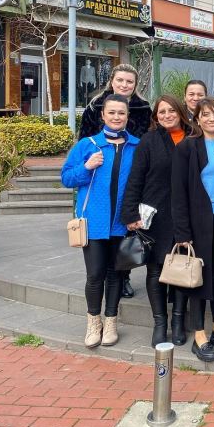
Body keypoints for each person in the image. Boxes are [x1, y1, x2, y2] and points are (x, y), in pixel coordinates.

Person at [61, 94, 140, 349]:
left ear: (128, 117)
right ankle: (94, 323)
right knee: (95, 275)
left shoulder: (137, 147)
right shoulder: (88, 145)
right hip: (94, 223)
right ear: (103, 115)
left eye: (122, 113)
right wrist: (86, 167)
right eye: (112, 113)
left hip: (122, 223)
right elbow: (66, 178)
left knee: (115, 275)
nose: (117, 117)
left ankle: (111, 321)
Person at [171, 98, 214, 363]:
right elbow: (178, 192)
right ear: (197, 119)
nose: (212, 119)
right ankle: (199, 334)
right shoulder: (187, 148)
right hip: (199, 222)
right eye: (206, 115)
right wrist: (182, 232)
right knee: (199, 276)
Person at [121, 96, 193, 347]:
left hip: (187, 214)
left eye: (171, 110)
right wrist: (130, 213)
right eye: (161, 112)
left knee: (182, 267)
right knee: (155, 270)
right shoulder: (149, 141)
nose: (166, 115)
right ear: (155, 116)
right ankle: (160, 322)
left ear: (181, 112)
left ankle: (178, 321)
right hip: (156, 215)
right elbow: (135, 179)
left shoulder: (193, 137)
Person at [78, 64, 151, 300]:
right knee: (100, 234)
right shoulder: (94, 106)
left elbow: (145, 138)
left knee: (127, 231)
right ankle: (101, 280)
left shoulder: (143, 108)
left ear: (135, 84)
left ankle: (123, 277)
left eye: (129, 81)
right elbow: (84, 140)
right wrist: (89, 162)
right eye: (120, 80)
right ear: (112, 80)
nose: (124, 85)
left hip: (131, 170)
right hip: (100, 175)